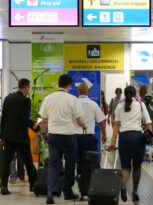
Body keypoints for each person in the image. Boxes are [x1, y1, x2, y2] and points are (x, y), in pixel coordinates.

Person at [39, 74, 86, 204]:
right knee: (70, 163)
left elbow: (44, 120)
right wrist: (84, 125)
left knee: (54, 164)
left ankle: (50, 192)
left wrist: (43, 133)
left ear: (59, 84)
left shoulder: (48, 98)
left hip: (53, 136)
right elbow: (78, 120)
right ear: (69, 85)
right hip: (68, 136)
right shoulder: (72, 99)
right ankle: (67, 192)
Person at [109, 86, 152, 203]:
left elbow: (116, 125)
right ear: (134, 94)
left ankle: (123, 185)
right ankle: (135, 191)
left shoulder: (119, 106)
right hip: (138, 137)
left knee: (125, 165)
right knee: (137, 166)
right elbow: (148, 123)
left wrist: (113, 140)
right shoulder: (141, 105)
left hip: (124, 138)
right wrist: (150, 137)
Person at [0, 78, 39, 195]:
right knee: (28, 161)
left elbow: (4, 118)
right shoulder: (26, 101)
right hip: (21, 136)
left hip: (8, 136)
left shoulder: (8, 98)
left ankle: (3, 187)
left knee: (6, 161)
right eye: (29, 87)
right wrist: (36, 128)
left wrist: (2, 135)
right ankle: (33, 186)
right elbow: (25, 119)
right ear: (26, 87)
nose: (29, 89)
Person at [75, 83, 107, 174]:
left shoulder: (73, 104)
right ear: (88, 92)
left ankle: (80, 179)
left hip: (75, 137)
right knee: (92, 161)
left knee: (78, 161)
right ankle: (91, 182)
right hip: (89, 137)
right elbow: (101, 122)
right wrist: (104, 134)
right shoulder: (93, 104)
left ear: (78, 92)